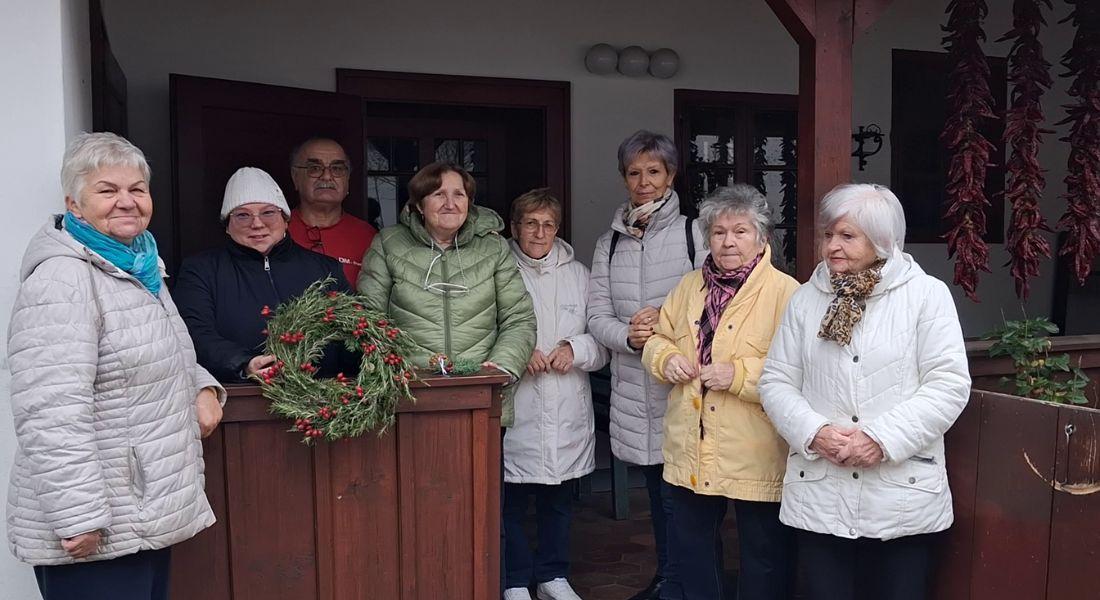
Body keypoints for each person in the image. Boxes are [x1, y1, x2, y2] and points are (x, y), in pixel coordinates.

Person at [6, 132, 225, 600]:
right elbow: (50, 410)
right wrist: (78, 515)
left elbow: (164, 352)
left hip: (139, 510)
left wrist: (203, 387)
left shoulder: (139, 265)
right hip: (96, 524)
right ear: (75, 203)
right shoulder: (65, 278)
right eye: (108, 190)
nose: (126, 202)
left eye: (137, 189)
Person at [759, 183, 971, 600]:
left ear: (882, 240)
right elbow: (776, 381)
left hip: (900, 496)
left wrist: (880, 438)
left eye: (847, 236)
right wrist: (814, 431)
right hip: (823, 490)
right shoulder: (806, 300)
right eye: (828, 235)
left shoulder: (926, 296)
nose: (833, 246)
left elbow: (948, 384)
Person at [641, 185, 798, 600]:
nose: (728, 241)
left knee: (763, 557)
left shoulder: (787, 293)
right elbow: (657, 338)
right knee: (693, 553)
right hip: (690, 443)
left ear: (762, 237)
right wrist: (665, 358)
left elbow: (802, 369)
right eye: (718, 232)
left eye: (740, 231)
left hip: (756, 446)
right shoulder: (689, 285)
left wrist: (741, 374)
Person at [587, 130, 707, 600]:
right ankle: (668, 578)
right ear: (623, 179)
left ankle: (692, 583)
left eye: (653, 172)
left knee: (692, 497)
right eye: (634, 173)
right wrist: (629, 336)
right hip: (635, 386)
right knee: (658, 494)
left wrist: (668, 325)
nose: (644, 182)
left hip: (686, 386)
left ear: (671, 176)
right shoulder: (608, 244)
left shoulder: (694, 233)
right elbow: (597, 317)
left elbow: (720, 307)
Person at [357, 160, 536, 424]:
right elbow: (367, 320)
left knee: (479, 466)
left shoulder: (493, 248)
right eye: (438, 194)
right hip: (408, 398)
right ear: (419, 204)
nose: (450, 203)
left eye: (458, 195)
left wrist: (500, 369)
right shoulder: (387, 244)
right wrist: (393, 373)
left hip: (482, 398)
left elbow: (519, 318)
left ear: (469, 202)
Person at [502, 189, 609, 600]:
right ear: (515, 228)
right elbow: (480, 333)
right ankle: (514, 580)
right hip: (519, 403)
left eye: (547, 224)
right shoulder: (499, 270)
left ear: (557, 229)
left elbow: (601, 339)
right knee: (510, 501)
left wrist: (574, 349)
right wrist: (516, 352)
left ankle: (552, 576)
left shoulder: (579, 274)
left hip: (565, 403)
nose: (539, 232)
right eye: (530, 223)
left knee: (558, 499)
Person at [173, 167, 350, 383]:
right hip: (240, 402)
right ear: (227, 226)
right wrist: (243, 363)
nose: (256, 223)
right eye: (242, 215)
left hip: (324, 401)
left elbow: (352, 329)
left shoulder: (325, 269)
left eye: (268, 212)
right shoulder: (201, 270)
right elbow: (195, 333)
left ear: (286, 219)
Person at [287, 137, 377, 286]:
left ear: (348, 179)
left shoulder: (369, 237)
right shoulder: (276, 231)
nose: (327, 177)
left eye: (337, 169)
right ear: (295, 177)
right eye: (315, 168)